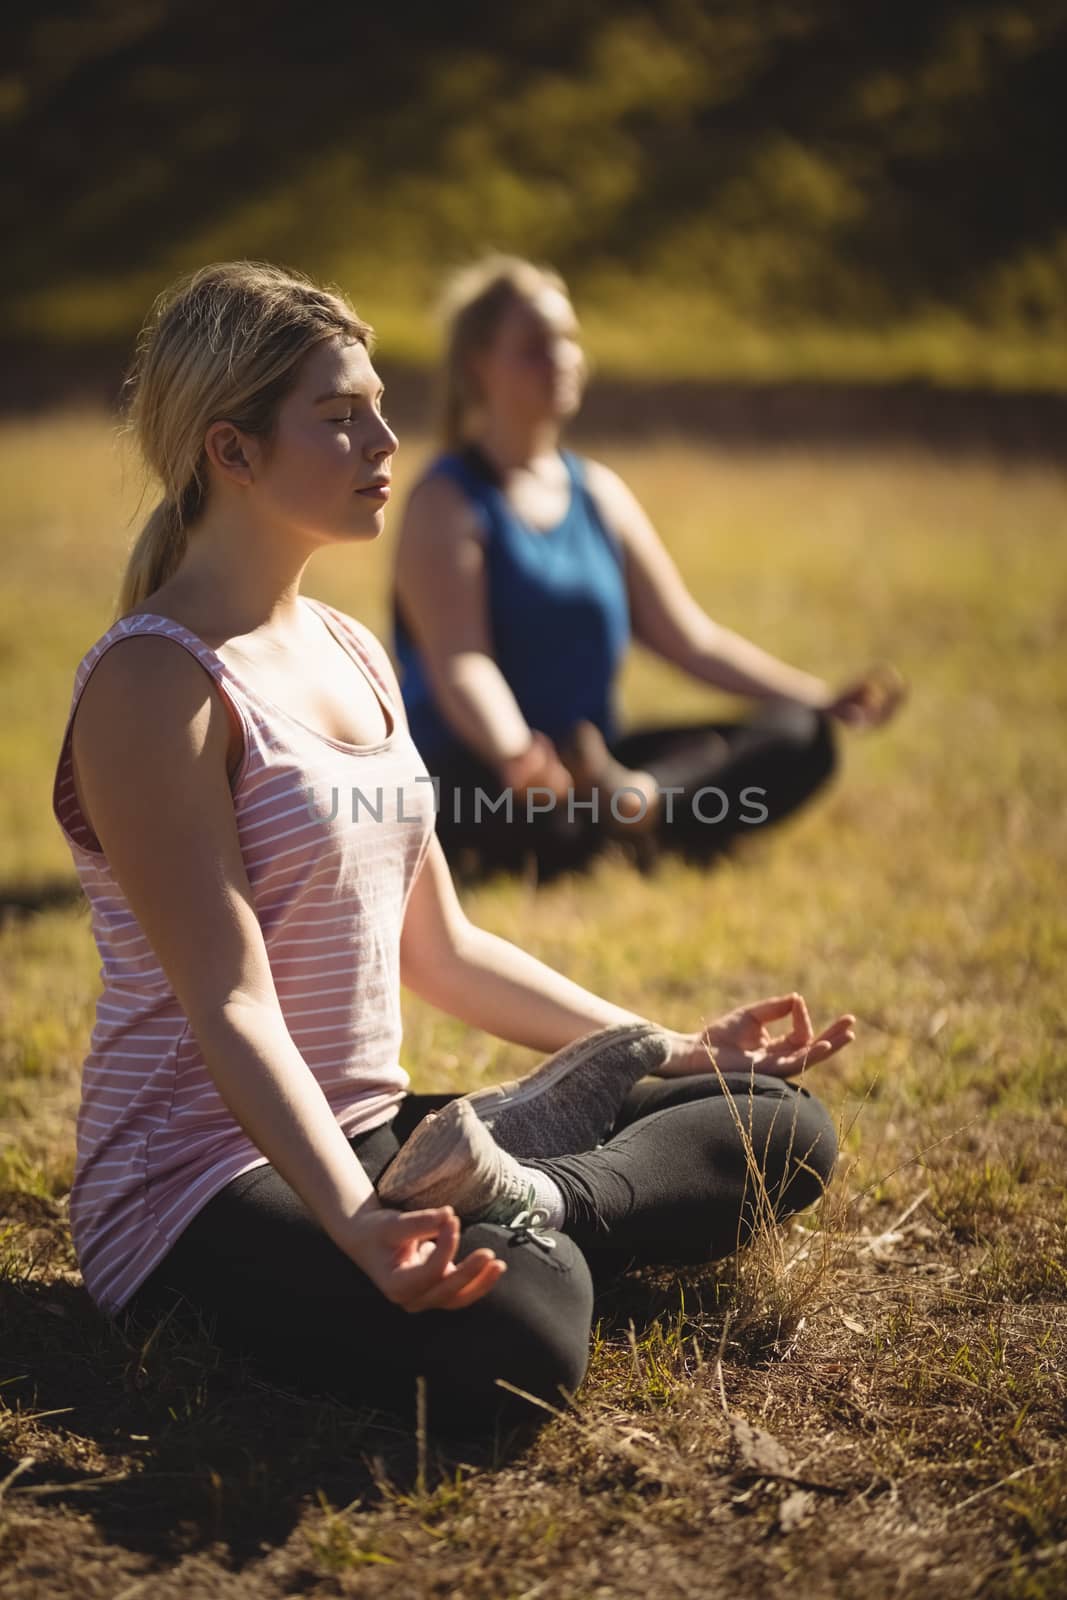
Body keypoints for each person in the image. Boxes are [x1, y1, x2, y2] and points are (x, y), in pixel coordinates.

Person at [53, 262, 854, 1437]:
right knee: (524, 1323)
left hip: (382, 1139)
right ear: (231, 452)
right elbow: (230, 1002)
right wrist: (353, 1221)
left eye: (377, 403)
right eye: (338, 419)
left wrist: (669, 1045)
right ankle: (535, 1223)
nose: (384, 437)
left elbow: (446, 948)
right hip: (199, 1186)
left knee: (768, 1116)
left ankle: (527, 1196)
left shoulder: (350, 651)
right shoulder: (153, 684)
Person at [393, 255, 904, 877]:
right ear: (478, 365)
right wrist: (517, 752)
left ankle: (638, 807)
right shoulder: (446, 500)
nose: (561, 357)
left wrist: (819, 699)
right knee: (516, 808)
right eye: (534, 346)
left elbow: (691, 639)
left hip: (596, 768)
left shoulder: (599, 493)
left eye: (568, 340)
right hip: (489, 773)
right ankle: (641, 827)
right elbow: (460, 662)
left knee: (800, 738)